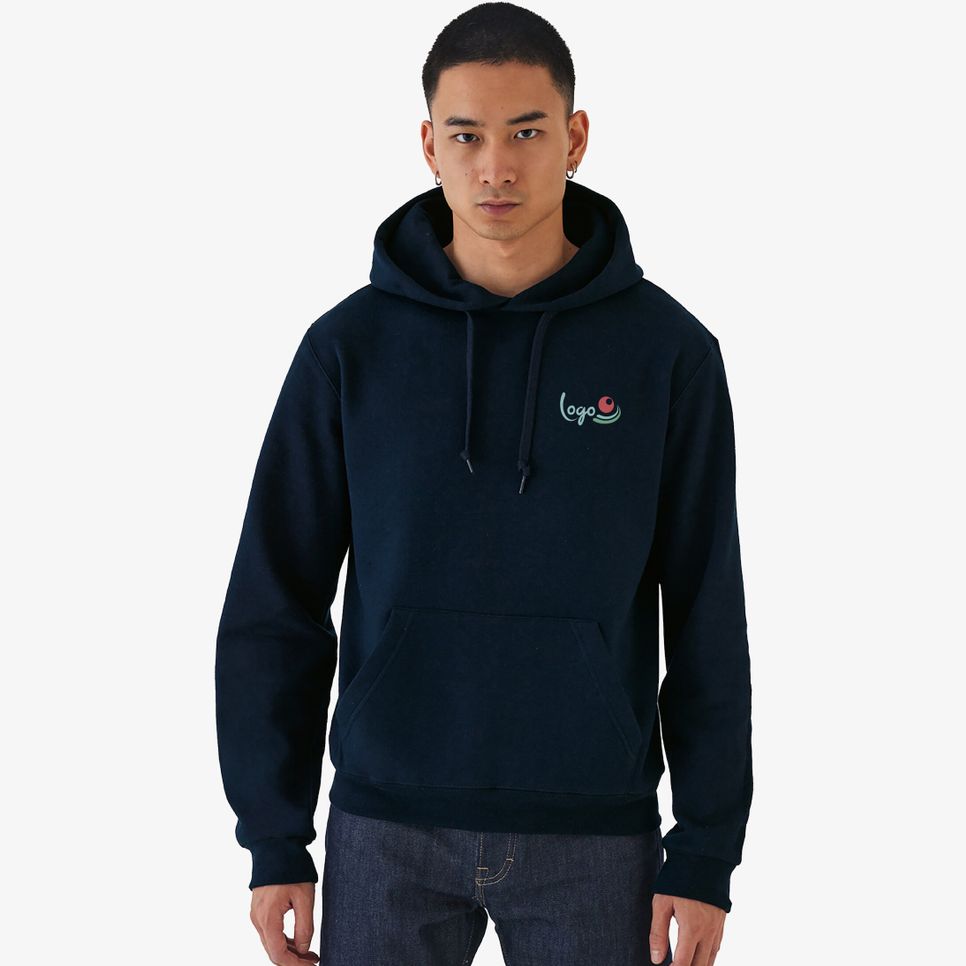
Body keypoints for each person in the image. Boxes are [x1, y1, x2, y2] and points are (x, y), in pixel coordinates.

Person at [214, 4, 753, 965]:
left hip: (596, 835)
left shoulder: (668, 355)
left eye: (527, 133)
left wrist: (705, 850)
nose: (496, 167)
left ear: (575, 138)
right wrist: (273, 836)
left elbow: (707, 609)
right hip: (386, 828)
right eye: (466, 136)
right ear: (429, 145)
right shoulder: (348, 350)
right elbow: (275, 599)